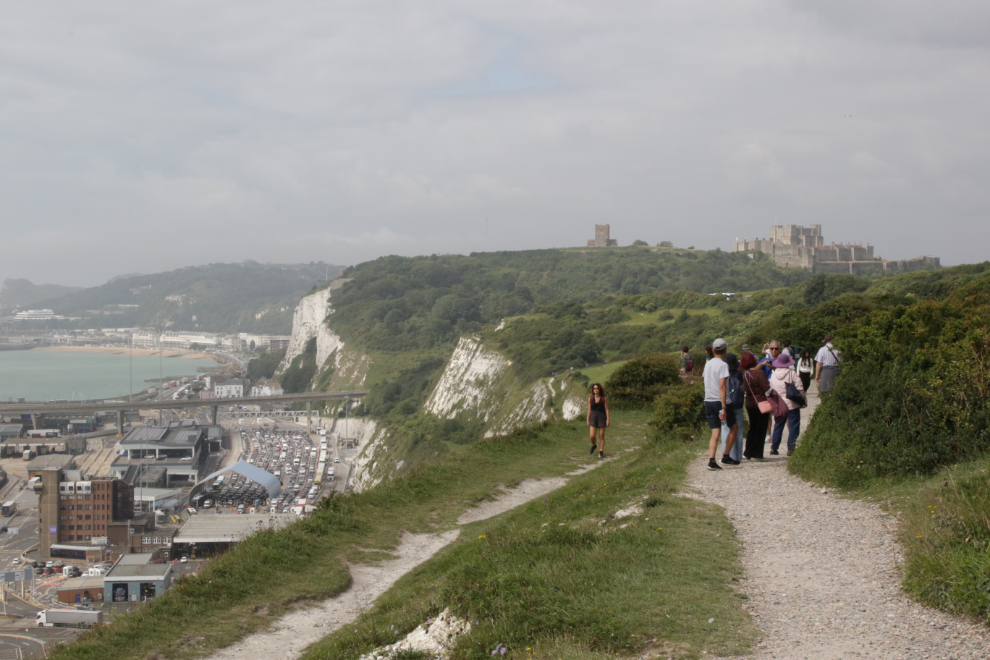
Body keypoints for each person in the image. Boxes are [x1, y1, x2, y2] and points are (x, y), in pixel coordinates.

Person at [702, 338, 739, 470]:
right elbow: (722, 386)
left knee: (715, 432)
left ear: (713, 350)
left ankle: (712, 460)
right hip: (721, 401)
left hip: (708, 400)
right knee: (734, 427)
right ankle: (726, 456)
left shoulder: (708, 364)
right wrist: (724, 407)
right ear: (725, 350)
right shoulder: (723, 365)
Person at [769, 352, 806, 456]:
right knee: (794, 426)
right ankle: (791, 448)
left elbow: (772, 389)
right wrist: (803, 401)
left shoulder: (774, 374)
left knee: (778, 426)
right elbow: (800, 387)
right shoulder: (791, 373)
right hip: (792, 404)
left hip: (780, 404)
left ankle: (774, 448)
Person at [740, 352, 771, 460]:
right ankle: (757, 453)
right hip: (761, 403)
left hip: (749, 404)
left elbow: (745, 389)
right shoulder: (759, 373)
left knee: (752, 427)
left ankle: (747, 452)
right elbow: (766, 388)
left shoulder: (745, 375)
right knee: (761, 428)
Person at [720, 352, 744, 462]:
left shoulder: (723, 374)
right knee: (738, 431)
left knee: (726, 429)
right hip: (738, 404)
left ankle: (728, 455)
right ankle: (738, 456)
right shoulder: (740, 374)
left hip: (727, 403)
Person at [586, 383, 609, 458]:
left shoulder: (603, 399)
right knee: (592, 436)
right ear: (593, 390)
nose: (595, 389)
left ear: (599, 389)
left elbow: (606, 409)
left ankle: (601, 452)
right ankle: (594, 445)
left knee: (601, 435)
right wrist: (587, 420)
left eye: (597, 388)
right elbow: (589, 410)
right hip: (593, 417)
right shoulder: (590, 399)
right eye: (594, 388)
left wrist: (608, 419)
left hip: (602, 417)